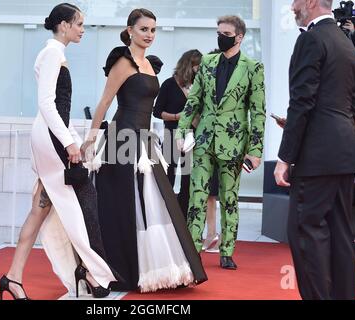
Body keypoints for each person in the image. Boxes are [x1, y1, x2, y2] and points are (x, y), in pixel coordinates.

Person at [81, 8, 207, 292]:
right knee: (123, 204)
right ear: (129, 30)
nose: (149, 35)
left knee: (154, 202)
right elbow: (104, 102)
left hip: (145, 139)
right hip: (121, 137)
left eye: (153, 30)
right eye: (143, 29)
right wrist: (91, 138)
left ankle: (155, 268)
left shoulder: (150, 64)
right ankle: (118, 269)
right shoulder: (122, 62)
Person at [0, 3, 116, 300]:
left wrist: (73, 137)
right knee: (82, 202)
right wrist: (69, 142)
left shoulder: (55, 52)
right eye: (79, 24)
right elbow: (47, 103)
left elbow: (58, 109)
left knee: (41, 209)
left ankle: (12, 278)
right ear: (63, 25)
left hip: (51, 135)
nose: (82, 30)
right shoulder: (52, 52)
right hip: (51, 139)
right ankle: (93, 272)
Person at [274, 0, 355, 300]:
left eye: (296, 0)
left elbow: (302, 101)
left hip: (317, 156)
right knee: (341, 236)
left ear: (310, 2)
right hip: (344, 152)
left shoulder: (310, 38)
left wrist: (285, 157)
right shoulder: (344, 41)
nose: (292, 6)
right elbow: (351, 102)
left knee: (305, 232)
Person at [176, 15, 266, 270]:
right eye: (218, 32)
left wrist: (255, 150)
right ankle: (193, 249)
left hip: (235, 142)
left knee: (229, 198)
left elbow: (257, 112)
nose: (220, 37)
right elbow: (194, 100)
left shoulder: (253, 67)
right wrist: (182, 129)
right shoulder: (207, 62)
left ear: (239, 37)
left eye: (225, 33)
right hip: (204, 140)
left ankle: (227, 251)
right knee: (197, 196)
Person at [153, 50, 220, 252]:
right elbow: (157, 112)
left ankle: (182, 226)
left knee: (189, 185)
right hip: (171, 137)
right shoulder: (169, 84)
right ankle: (163, 225)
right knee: (167, 180)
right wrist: (178, 116)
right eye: (196, 65)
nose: (198, 69)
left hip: (193, 141)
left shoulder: (200, 86)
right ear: (187, 65)